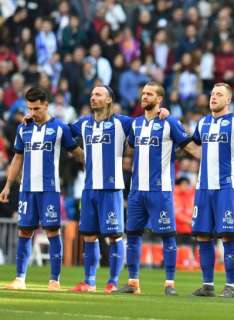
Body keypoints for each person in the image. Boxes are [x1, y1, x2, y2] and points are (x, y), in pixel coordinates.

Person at [68, 85, 170, 294]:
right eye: (92, 94)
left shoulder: (122, 123)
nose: (92, 97)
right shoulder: (83, 123)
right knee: (88, 236)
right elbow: (62, 131)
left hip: (112, 188)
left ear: (108, 100)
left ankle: (113, 282)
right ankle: (89, 282)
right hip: (89, 190)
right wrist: (35, 120)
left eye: (98, 94)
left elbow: (146, 122)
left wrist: (163, 112)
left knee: (114, 236)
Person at [116, 82, 199, 296]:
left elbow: (188, 145)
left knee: (167, 236)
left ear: (159, 99)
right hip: (136, 191)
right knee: (132, 235)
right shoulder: (135, 125)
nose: (144, 96)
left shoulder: (169, 122)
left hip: (160, 191)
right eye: (143, 93)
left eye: (149, 94)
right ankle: (133, 282)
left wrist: (208, 158)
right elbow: (130, 143)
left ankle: (169, 283)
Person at [1, 87, 83, 290]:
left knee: (52, 231)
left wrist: (89, 160)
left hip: (50, 189)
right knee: (24, 232)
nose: (33, 112)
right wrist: (8, 185)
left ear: (46, 105)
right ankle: (20, 279)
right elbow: (17, 158)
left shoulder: (59, 128)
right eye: (30, 108)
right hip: (27, 189)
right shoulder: (24, 128)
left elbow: (76, 152)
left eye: (36, 108)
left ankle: (54, 280)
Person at [190, 83, 234, 298]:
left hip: (226, 187)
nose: (213, 97)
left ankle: (230, 286)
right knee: (203, 236)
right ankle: (208, 285)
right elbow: (192, 145)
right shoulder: (202, 123)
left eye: (219, 94)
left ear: (228, 100)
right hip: (203, 187)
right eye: (212, 94)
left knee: (228, 236)